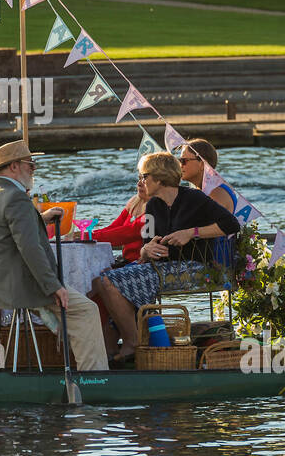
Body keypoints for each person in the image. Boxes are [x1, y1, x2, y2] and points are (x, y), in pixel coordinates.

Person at [0, 140, 109, 372]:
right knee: (86, 310)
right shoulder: (17, 198)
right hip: (23, 287)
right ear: (14, 167)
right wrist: (53, 286)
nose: (33, 170)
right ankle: (93, 377)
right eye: (31, 165)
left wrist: (39, 218)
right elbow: (29, 247)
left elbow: (4, 232)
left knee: (77, 308)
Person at [92, 152, 240, 364]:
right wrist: (148, 249)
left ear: (159, 178)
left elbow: (231, 224)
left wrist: (192, 233)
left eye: (144, 176)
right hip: (161, 265)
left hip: (194, 266)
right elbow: (145, 245)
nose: (140, 181)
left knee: (109, 281)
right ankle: (130, 340)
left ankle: (132, 342)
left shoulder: (194, 199)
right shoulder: (153, 206)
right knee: (100, 280)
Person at [92, 175, 149, 264]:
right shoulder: (134, 202)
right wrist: (88, 235)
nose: (139, 184)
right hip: (127, 259)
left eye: (144, 179)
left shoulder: (155, 209)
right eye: (139, 178)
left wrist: (89, 237)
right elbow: (114, 227)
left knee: (99, 276)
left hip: (142, 263)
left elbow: (126, 234)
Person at [180, 137, 235, 213]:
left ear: (202, 164)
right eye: (180, 161)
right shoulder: (206, 189)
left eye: (184, 161)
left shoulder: (215, 193)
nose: (180, 165)